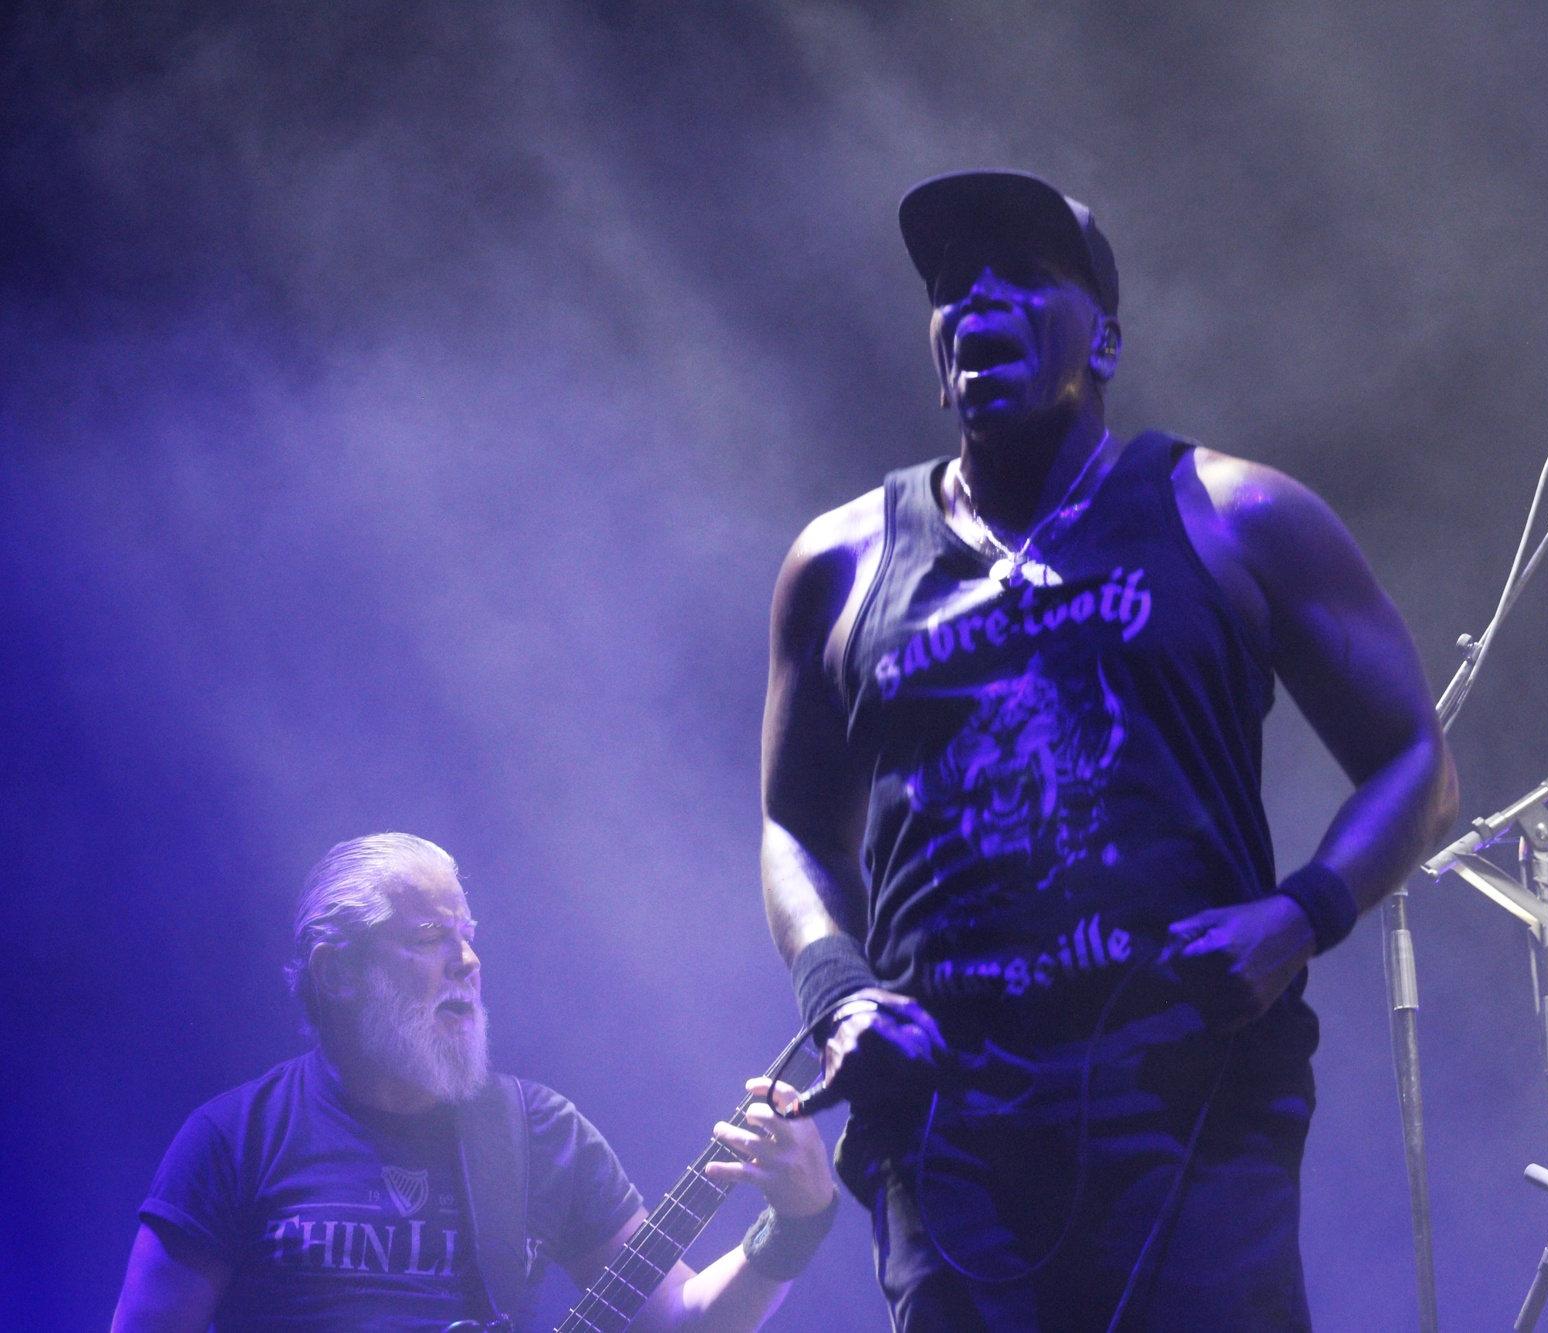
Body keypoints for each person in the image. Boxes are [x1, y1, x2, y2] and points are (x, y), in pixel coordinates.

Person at [760, 171, 1459, 1331]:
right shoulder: (839, 565)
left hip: (1184, 1104)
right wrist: (837, 992)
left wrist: (1298, 917)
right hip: (947, 1129)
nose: (977, 296)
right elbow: (793, 826)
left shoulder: (1235, 515)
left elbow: (1414, 762)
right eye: (951, 284)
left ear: (1106, 341)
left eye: (1024, 274)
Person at [111, 833, 838, 1333]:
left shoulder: (540, 1132)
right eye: (429, 937)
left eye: (467, 934)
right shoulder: (233, 1140)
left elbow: (680, 1322)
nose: (467, 960)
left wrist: (796, 1224)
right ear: (336, 972)